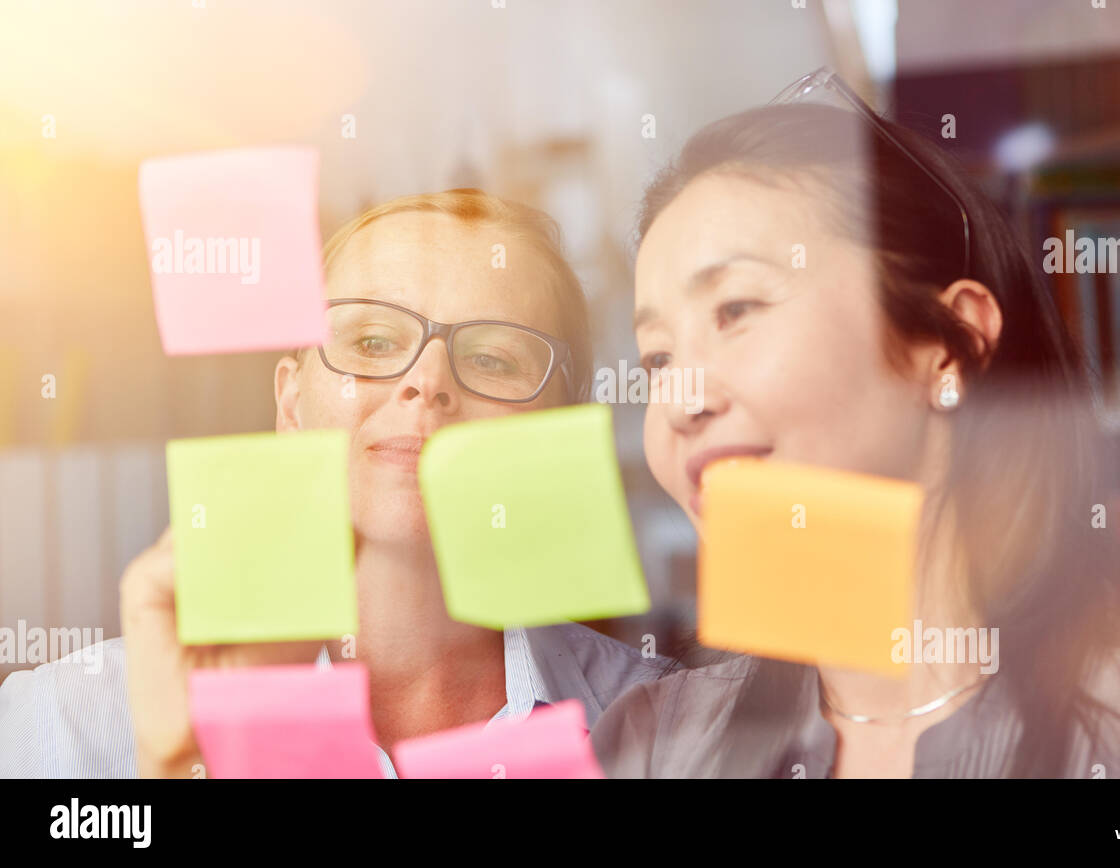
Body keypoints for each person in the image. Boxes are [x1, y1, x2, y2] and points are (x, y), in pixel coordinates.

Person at [590, 77, 1120, 778]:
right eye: (656, 357)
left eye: (736, 309)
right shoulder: (652, 747)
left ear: (952, 341)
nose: (681, 400)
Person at [0, 189, 664, 778]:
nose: (426, 382)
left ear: (557, 435)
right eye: (373, 342)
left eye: (491, 358)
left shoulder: (672, 734)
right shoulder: (60, 727)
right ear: (291, 404)